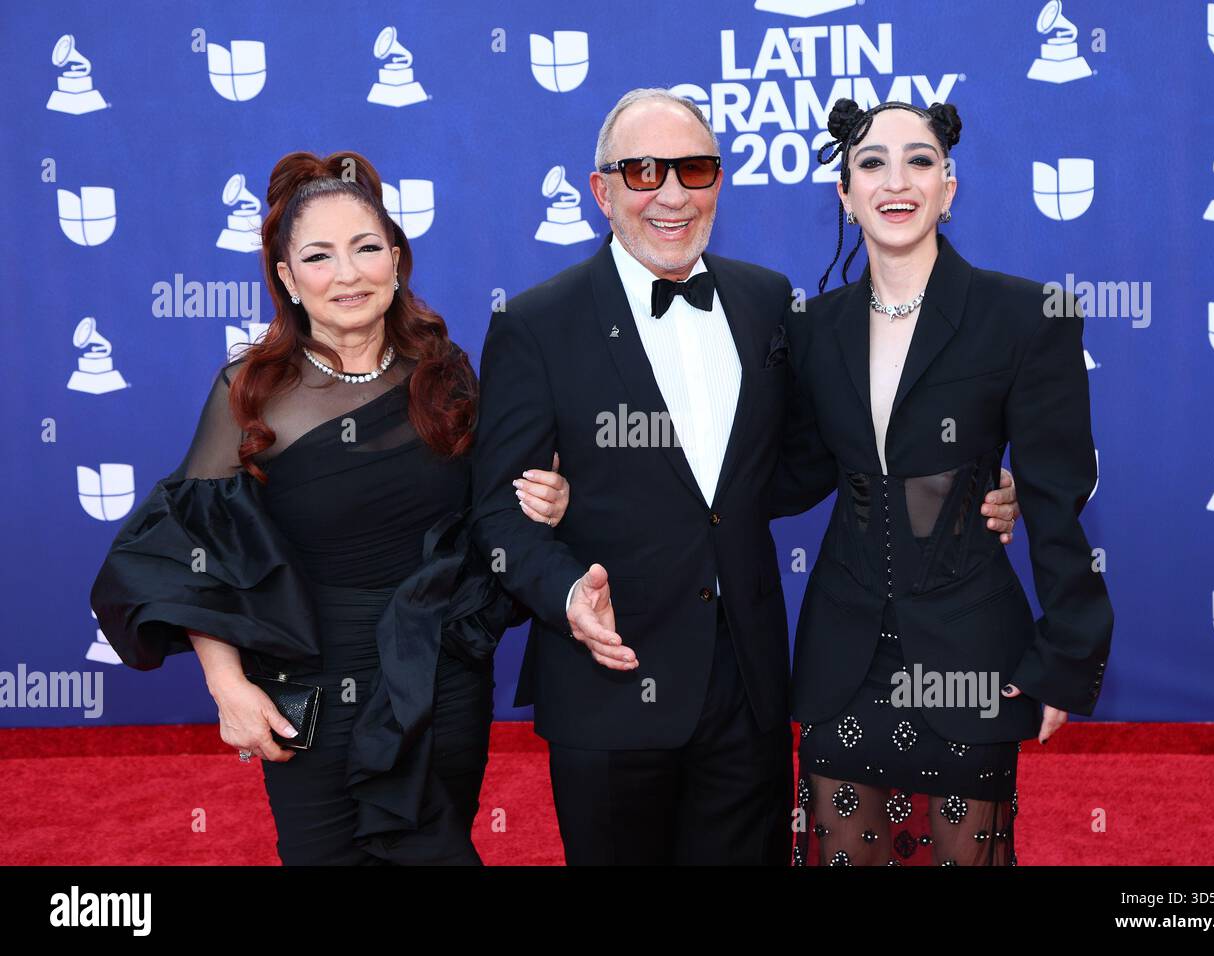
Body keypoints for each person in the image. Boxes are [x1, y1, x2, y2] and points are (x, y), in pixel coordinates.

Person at [471, 89, 1023, 865]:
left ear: (719, 182)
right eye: (643, 172)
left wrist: (970, 482)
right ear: (601, 190)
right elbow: (498, 512)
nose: (671, 194)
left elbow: (826, 450)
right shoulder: (535, 325)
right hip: (610, 684)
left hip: (748, 689)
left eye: (693, 170)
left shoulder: (766, 302)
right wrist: (565, 593)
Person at [90, 151, 568, 865]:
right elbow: (192, 556)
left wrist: (548, 502)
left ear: (396, 261)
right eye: (319, 256)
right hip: (305, 686)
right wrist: (227, 687)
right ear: (288, 279)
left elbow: (489, 520)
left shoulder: (445, 377)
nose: (347, 274)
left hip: (438, 680)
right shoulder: (250, 394)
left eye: (366, 248)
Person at [782, 99, 1113, 866]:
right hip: (843, 658)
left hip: (972, 654)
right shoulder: (811, 329)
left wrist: (1067, 656)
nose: (896, 181)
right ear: (845, 194)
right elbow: (789, 477)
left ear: (949, 188)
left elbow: (1057, 504)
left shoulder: (1026, 316)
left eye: (920, 161)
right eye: (872, 163)